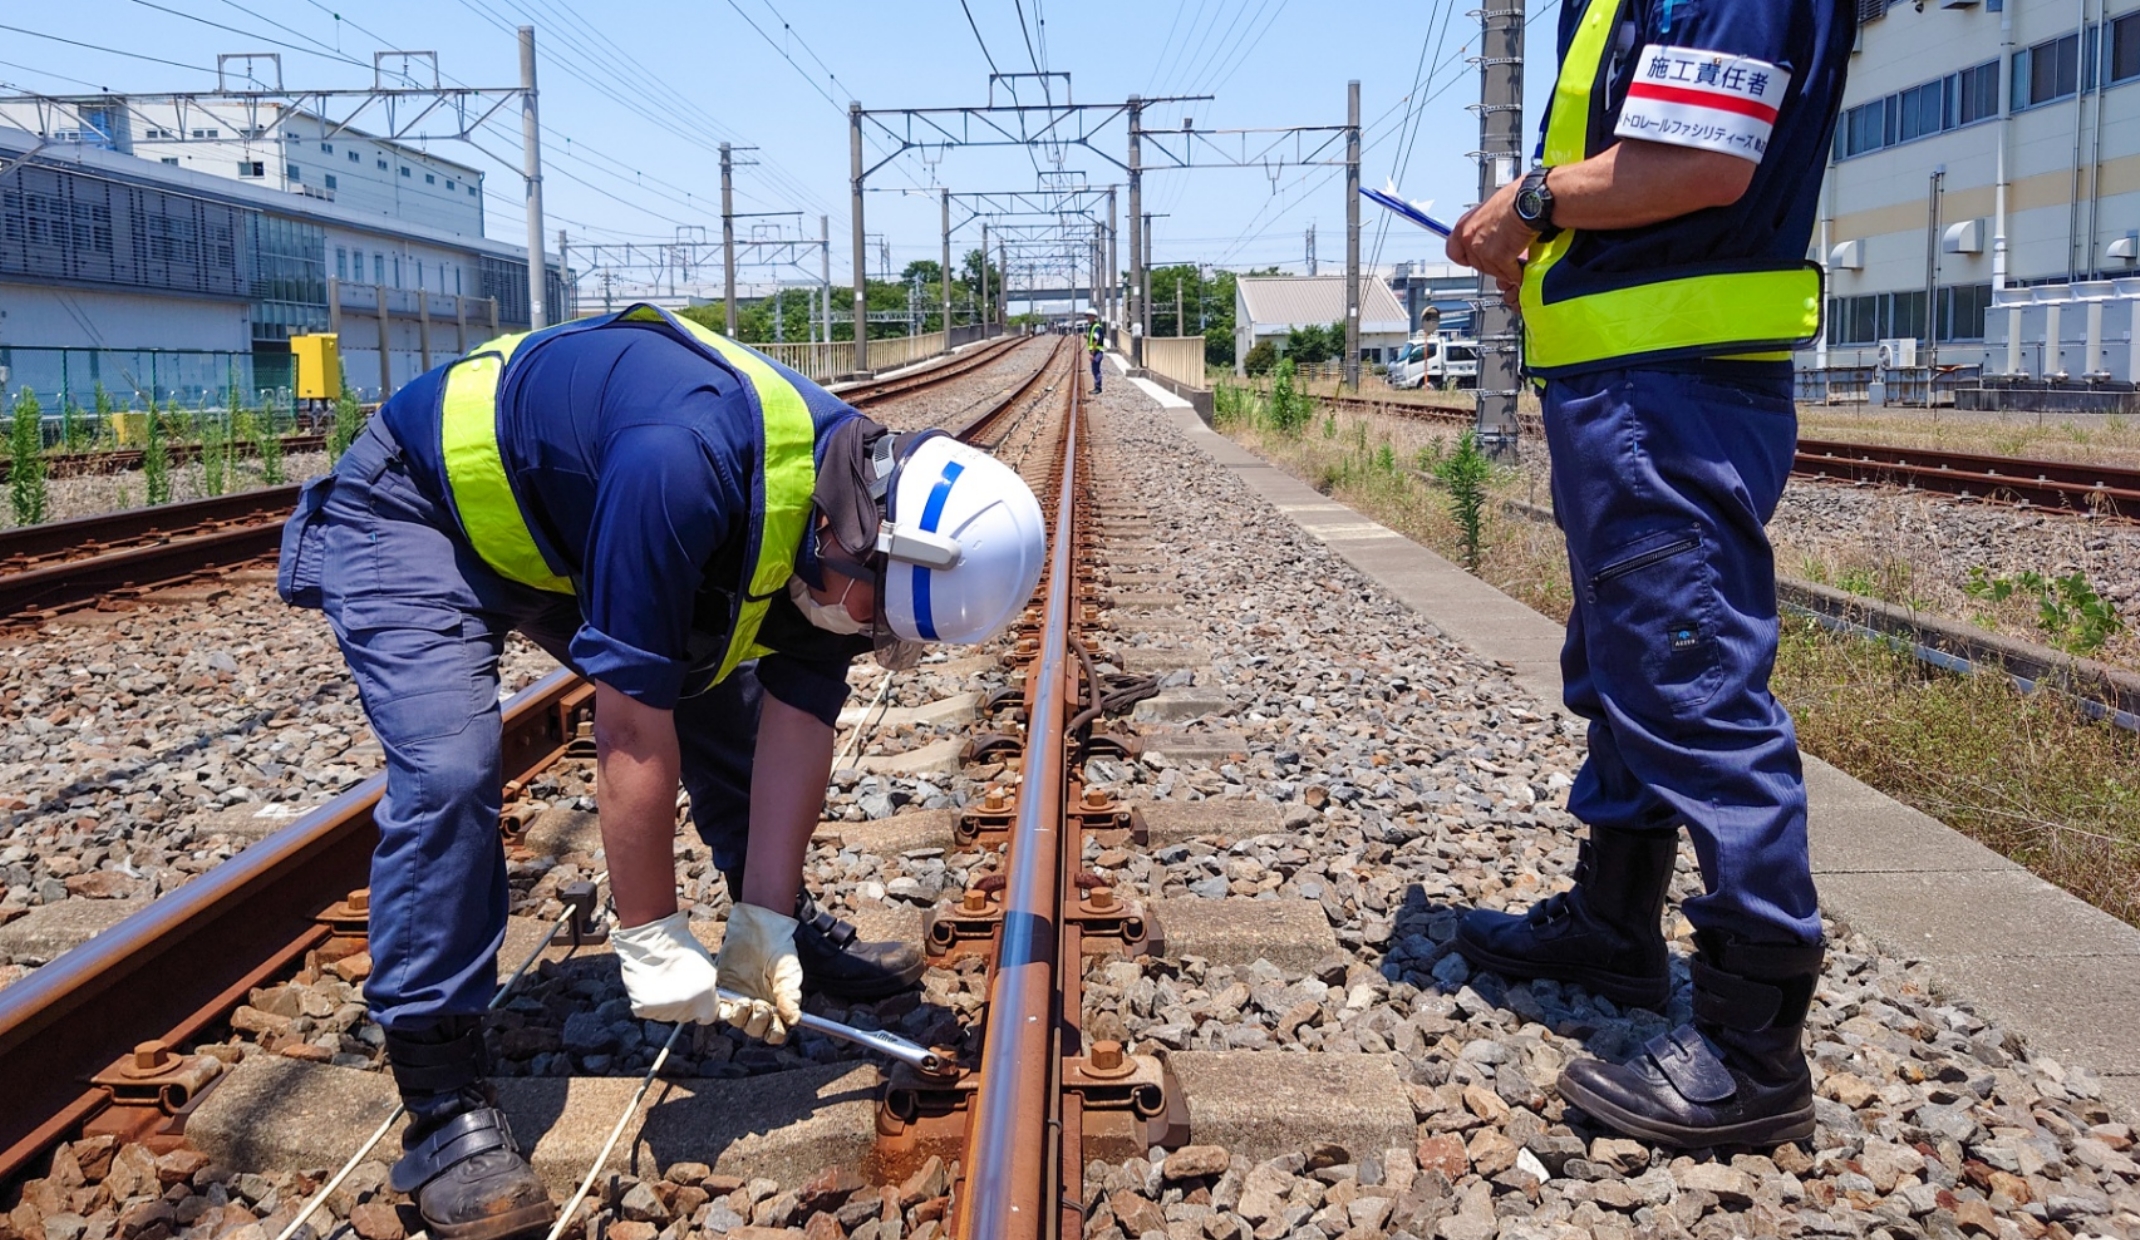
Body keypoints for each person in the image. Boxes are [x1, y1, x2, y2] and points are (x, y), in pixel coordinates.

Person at [275, 304, 1047, 1240]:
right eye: (875, 614)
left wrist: (764, 921)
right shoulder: (682, 463)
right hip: (419, 509)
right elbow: (631, 730)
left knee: (727, 696)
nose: (868, 634)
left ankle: (782, 934)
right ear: (868, 537)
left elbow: (797, 731)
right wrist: (649, 934)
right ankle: (440, 1099)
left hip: (557, 529)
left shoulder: (848, 521)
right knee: (450, 770)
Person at [1443, 0, 1853, 1147]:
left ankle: (1751, 1044)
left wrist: (1529, 201)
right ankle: (1615, 923)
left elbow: (1696, 162)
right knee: (1630, 659)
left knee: (1690, 680)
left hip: (1671, 388)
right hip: (1635, 383)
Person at [1084, 309, 1106, 394]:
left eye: (1089, 316)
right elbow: (1092, 338)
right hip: (1096, 352)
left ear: (1094, 317)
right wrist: (1087, 337)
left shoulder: (1096, 327)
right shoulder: (1092, 326)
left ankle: (1098, 388)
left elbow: (1095, 340)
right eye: (1087, 316)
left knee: (1096, 370)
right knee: (1094, 369)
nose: (1088, 318)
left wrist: (1092, 354)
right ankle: (1097, 387)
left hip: (1097, 352)